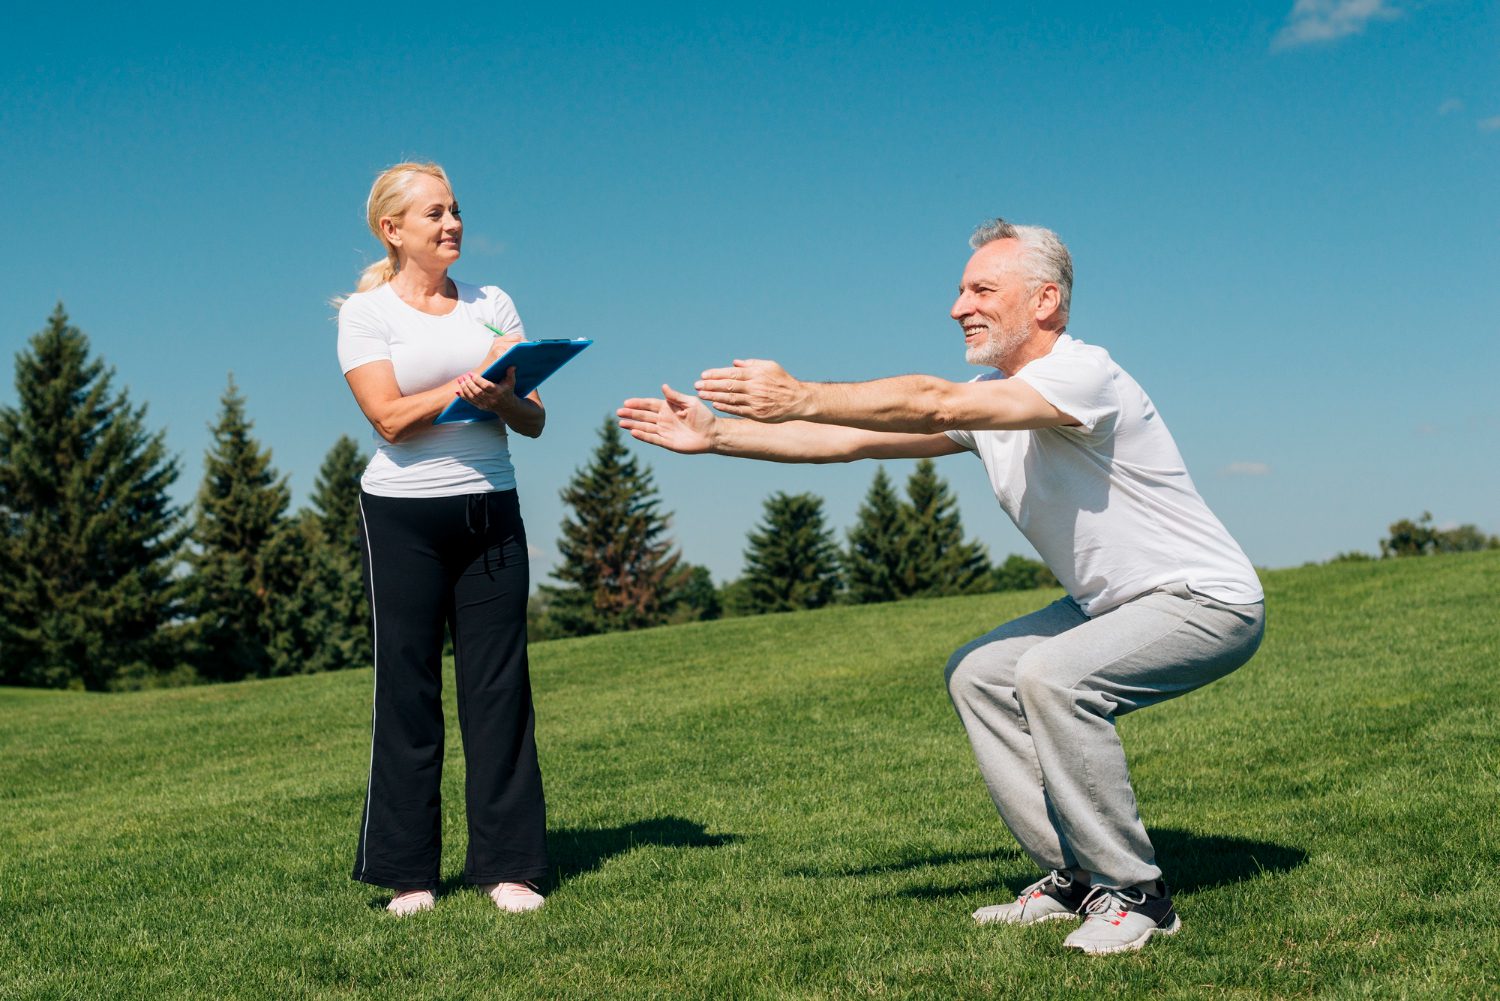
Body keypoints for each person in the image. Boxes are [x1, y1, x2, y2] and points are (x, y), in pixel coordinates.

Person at [616, 218, 1265, 955]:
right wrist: (721, 434)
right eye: (960, 290)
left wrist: (801, 393)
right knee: (982, 672)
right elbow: (853, 441)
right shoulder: (996, 399)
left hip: (1205, 601)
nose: (959, 306)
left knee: (1052, 675)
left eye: (982, 289)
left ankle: (1138, 894)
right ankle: (1072, 875)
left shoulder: (1084, 375)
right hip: (1110, 605)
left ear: (1046, 300)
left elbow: (936, 402)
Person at [336, 162, 549, 916]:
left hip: (492, 507)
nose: (452, 223)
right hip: (402, 515)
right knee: (409, 690)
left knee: (498, 689)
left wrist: (506, 396)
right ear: (393, 231)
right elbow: (387, 417)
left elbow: (534, 418)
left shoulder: (493, 304)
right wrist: (466, 391)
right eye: (434, 214)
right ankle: (408, 873)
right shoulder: (366, 315)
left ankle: (510, 865)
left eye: (455, 210)